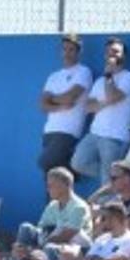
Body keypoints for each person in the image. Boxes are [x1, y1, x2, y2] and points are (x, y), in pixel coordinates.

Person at [71, 36, 130, 186]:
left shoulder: (129, 78)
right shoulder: (99, 82)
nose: (111, 55)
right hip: (95, 133)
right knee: (78, 163)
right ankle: (116, 178)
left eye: (116, 52)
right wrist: (107, 101)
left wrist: (109, 76)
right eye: (108, 52)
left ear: (123, 56)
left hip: (115, 137)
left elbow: (113, 95)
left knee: (107, 182)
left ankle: (111, 188)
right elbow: (88, 107)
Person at [36, 33, 95, 172]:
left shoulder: (83, 72)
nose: (67, 53)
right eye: (64, 49)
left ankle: (73, 172)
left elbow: (70, 98)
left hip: (68, 130)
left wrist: (52, 99)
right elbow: (42, 105)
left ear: (78, 52)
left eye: (71, 49)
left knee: (45, 162)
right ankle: (69, 175)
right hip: (49, 130)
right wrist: (60, 106)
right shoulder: (54, 76)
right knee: (51, 175)